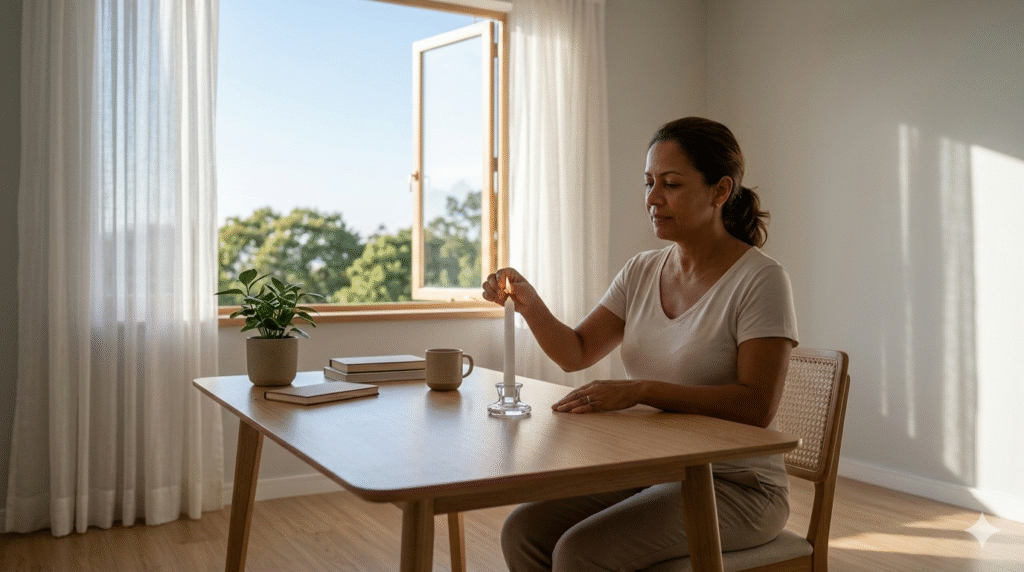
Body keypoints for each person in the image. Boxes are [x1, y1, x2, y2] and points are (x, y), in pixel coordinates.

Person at [481, 116, 798, 572]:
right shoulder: (641, 271)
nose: (652, 198)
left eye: (671, 184)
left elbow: (757, 406)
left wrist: (642, 390)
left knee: (579, 553)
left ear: (720, 191)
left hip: (738, 487)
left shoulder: (762, 279)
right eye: (649, 182)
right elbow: (576, 352)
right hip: (655, 471)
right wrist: (529, 305)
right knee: (523, 529)